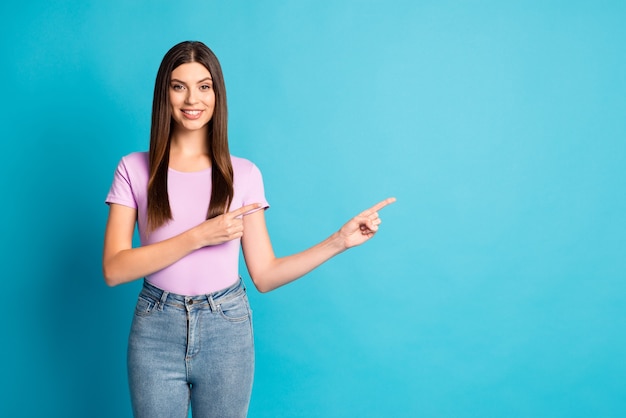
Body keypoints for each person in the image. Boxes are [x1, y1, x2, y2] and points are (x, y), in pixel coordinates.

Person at [103, 40, 395, 418]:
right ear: (165, 94)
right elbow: (114, 268)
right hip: (155, 327)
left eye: (204, 86)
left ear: (217, 94)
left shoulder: (243, 174)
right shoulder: (134, 169)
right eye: (179, 86)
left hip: (226, 327)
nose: (193, 98)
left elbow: (265, 274)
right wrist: (199, 236)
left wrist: (339, 241)